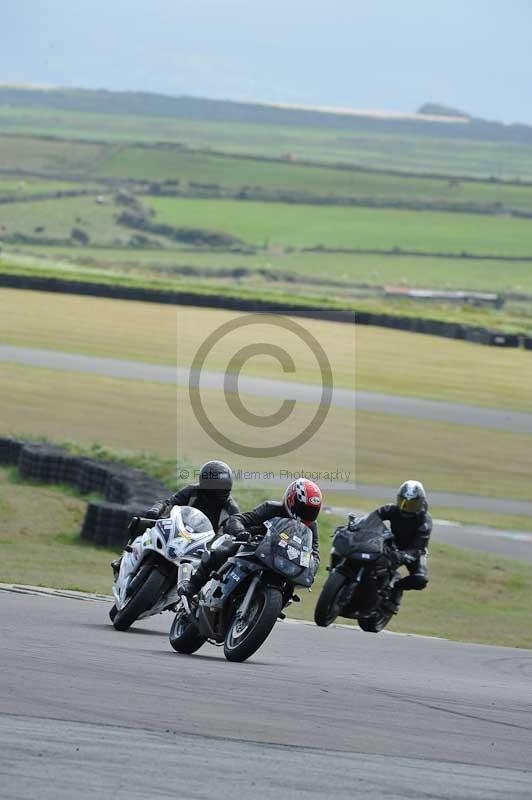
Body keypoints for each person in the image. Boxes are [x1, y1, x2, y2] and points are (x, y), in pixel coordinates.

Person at [178, 478, 322, 599]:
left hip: (283, 561)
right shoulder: (271, 508)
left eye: (312, 512)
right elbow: (238, 519)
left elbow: (314, 552)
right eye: (305, 510)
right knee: (223, 550)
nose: (308, 515)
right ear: (292, 501)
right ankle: (193, 585)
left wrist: (312, 566)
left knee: (290, 587)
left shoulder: (311, 527)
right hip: (255, 548)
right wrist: (241, 532)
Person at [111, 460, 239, 577]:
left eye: (225, 486)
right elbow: (169, 502)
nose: (222, 490)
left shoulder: (230, 507)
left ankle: (196, 596)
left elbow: (234, 526)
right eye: (218, 486)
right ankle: (122, 559)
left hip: (203, 546)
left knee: (218, 562)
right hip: (177, 530)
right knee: (143, 522)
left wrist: (233, 535)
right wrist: (157, 509)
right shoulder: (192, 491)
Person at [375, 480, 432, 609]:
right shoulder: (392, 509)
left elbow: (418, 548)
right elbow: (373, 517)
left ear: (420, 503)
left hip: (414, 551)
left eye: (411, 505)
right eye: (402, 502)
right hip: (393, 543)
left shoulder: (425, 521)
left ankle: (396, 587)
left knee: (420, 580)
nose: (405, 508)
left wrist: (401, 555)